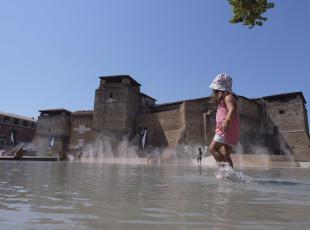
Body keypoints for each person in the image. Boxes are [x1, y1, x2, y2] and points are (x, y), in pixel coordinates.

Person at [208, 73, 240, 168]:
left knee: (212, 149)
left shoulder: (227, 97)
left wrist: (227, 121)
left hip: (226, 128)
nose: (214, 91)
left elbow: (232, 108)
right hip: (229, 128)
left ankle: (225, 170)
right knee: (226, 154)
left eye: (215, 89)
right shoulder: (225, 98)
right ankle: (230, 174)